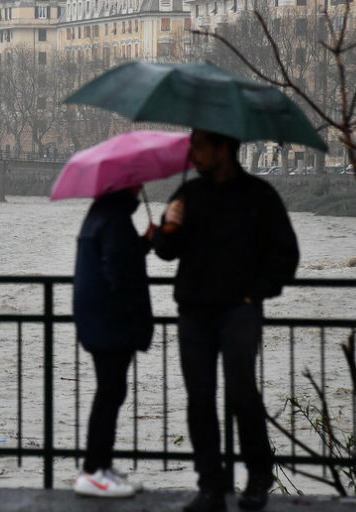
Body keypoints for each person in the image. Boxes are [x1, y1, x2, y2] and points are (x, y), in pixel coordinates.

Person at [153, 129, 299, 512]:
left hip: (239, 310)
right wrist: (169, 225)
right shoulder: (189, 194)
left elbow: (286, 254)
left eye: (199, 146)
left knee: (241, 394)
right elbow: (166, 252)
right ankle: (211, 487)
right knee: (199, 399)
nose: (192, 153)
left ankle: (258, 473)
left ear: (223, 149)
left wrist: (258, 292)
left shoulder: (259, 196)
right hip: (194, 312)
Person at [72, 186, 155, 498]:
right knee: (110, 393)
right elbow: (120, 271)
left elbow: (118, 257)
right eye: (135, 182)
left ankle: (101, 467)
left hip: (98, 319)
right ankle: (94, 471)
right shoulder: (116, 219)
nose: (140, 186)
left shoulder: (102, 214)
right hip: (110, 321)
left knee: (110, 392)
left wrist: (143, 243)